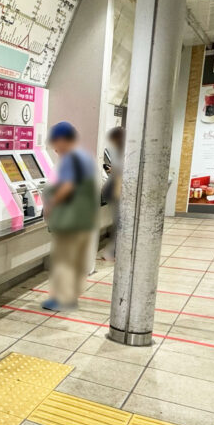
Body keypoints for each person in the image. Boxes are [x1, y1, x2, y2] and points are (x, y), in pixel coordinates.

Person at [42, 121, 100, 311]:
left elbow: (67, 186)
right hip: (84, 219)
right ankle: (71, 297)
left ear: (62, 140)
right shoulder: (86, 157)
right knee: (75, 261)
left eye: (56, 144)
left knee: (64, 260)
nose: (56, 150)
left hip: (70, 221)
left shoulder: (70, 159)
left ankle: (63, 300)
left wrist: (51, 204)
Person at [99, 126, 124, 261]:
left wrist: (115, 196)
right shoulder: (125, 152)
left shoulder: (122, 153)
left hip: (118, 195)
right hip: (120, 195)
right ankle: (114, 251)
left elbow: (120, 176)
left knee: (118, 224)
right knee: (119, 224)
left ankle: (113, 252)